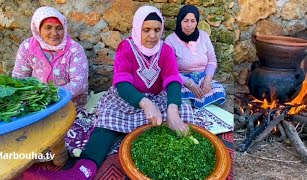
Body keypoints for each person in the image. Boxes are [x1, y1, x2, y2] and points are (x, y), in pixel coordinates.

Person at [23, 5, 196, 180]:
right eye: (146, 30)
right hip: (127, 97)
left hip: (159, 96)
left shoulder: (166, 50)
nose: (152, 35)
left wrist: (172, 110)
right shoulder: (126, 47)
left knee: (184, 114)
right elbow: (122, 83)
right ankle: (83, 171)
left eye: (157, 30)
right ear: (137, 28)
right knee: (106, 120)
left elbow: (173, 79)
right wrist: (145, 103)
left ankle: (179, 161)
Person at [12, 6, 88, 108]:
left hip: (69, 104)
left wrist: (48, 98)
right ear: (38, 29)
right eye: (48, 27)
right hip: (37, 103)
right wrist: (33, 98)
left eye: (58, 28)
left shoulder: (74, 50)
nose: (54, 33)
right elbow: (19, 77)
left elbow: (79, 85)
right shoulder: (27, 47)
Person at [165, 5, 226, 108]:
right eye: (185, 21)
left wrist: (207, 79)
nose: (189, 25)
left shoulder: (204, 36)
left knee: (219, 91)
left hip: (202, 77)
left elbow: (212, 60)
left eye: (193, 21)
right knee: (176, 95)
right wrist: (189, 84)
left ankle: (196, 103)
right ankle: (193, 104)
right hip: (182, 79)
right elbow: (169, 69)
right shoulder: (170, 40)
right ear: (180, 21)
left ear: (197, 22)